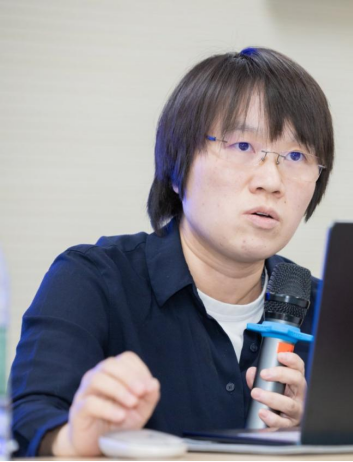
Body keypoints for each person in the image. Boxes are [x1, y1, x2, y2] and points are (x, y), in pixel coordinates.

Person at [9, 47, 334, 457]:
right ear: (178, 168)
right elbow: (31, 420)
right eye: (241, 146)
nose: (271, 181)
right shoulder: (92, 280)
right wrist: (76, 442)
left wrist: (318, 435)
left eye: (296, 156)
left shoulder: (331, 311)